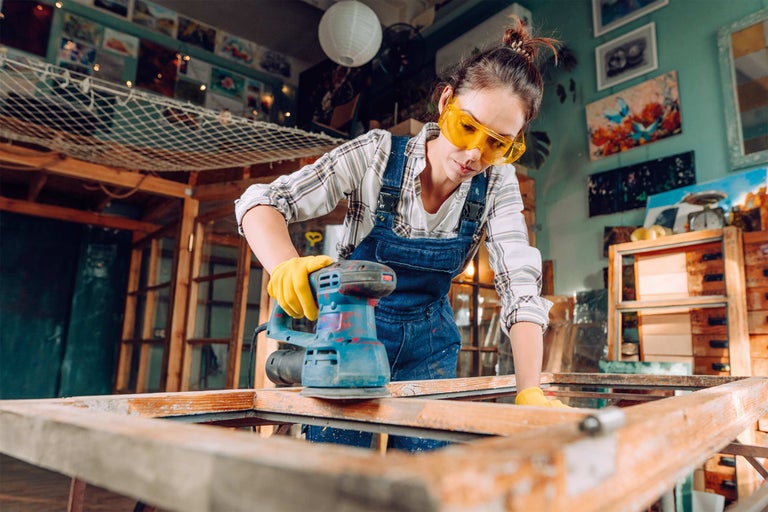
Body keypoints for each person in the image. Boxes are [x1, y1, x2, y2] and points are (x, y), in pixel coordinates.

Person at [235, 16, 566, 452]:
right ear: (446, 101)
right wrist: (284, 265)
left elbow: (519, 287)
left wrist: (530, 391)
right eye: (467, 127)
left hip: (430, 346)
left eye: (496, 144)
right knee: (338, 476)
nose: (473, 154)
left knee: (427, 474)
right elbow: (260, 201)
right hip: (351, 338)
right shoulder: (376, 154)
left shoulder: (497, 183)